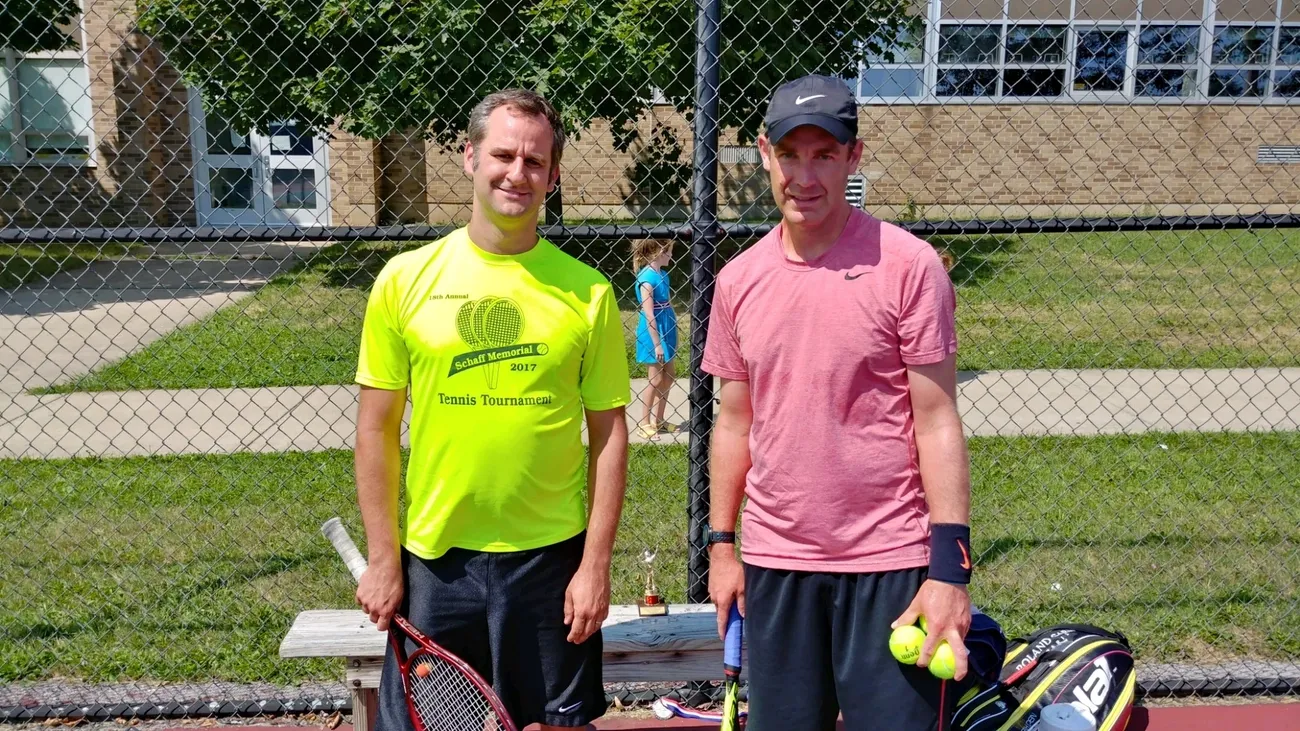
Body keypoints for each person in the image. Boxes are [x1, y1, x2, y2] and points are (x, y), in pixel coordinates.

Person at [351, 88, 631, 731]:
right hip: (436, 563)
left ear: (554, 174)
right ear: (469, 156)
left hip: (550, 561)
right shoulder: (404, 279)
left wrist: (595, 564)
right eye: (503, 154)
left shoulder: (587, 291)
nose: (518, 173)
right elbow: (375, 428)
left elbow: (610, 435)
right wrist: (384, 556)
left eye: (535, 161)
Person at [702, 74, 974, 730]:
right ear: (764, 153)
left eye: (825, 154)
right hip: (776, 565)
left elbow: (937, 420)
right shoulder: (737, 281)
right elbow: (734, 422)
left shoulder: (909, 266)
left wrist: (950, 568)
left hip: (892, 561)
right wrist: (721, 547)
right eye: (791, 153)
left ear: (854, 157)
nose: (806, 174)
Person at [631, 239, 679, 439]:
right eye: (668, 252)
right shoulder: (647, 278)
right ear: (659, 252)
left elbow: (666, 303)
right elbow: (649, 314)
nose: (671, 256)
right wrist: (657, 344)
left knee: (668, 376)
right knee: (655, 378)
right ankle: (644, 422)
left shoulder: (663, 275)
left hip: (666, 327)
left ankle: (658, 420)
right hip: (653, 332)